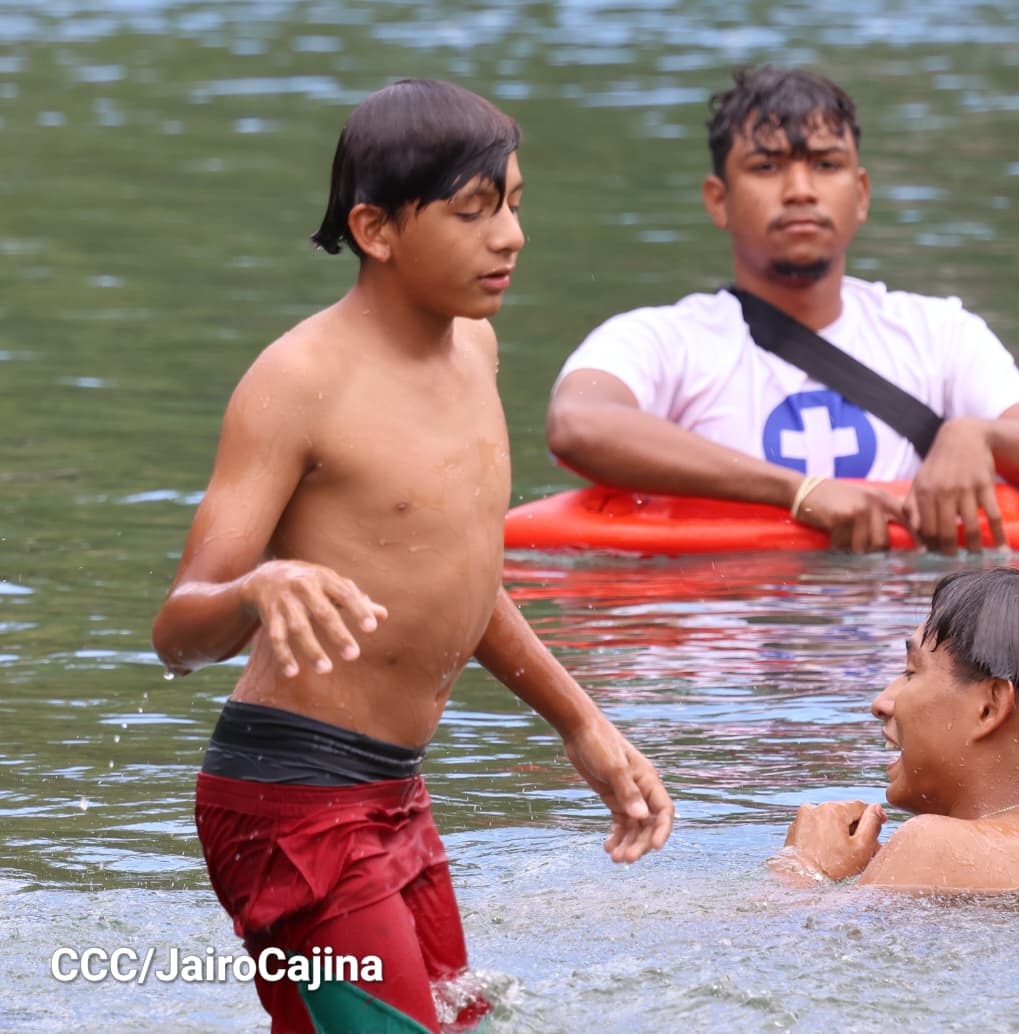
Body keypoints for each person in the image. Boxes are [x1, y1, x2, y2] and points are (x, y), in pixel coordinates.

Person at [151, 79, 673, 1034]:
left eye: (514, 205)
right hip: (288, 806)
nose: (510, 236)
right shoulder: (296, 382)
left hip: (392, 794)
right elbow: (180, 628)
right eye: (475, 212)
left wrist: (583, 727)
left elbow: (461, 580)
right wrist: (259, 587)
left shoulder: (475, 350)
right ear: (377, 229)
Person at [546, 66, 1019, 554]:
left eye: (826, 165)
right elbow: (577, 425)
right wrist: (797, 492)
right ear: (719, 200)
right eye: (767, 167)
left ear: (860, 195)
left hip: (906, 658)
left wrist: (977, 436)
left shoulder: (939, 334)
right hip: (718, 658)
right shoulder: (661, 339)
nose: (800, 190)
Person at [770, 566, 1019, 891]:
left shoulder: (930, 845)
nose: (881, 703)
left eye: (912, 672)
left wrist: (804, 867)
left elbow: (785, 951)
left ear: (989, 707)